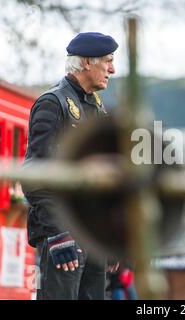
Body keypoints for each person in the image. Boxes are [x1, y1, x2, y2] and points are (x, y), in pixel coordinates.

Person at [22, 32, 118, 300]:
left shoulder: (98, 110)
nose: (112, 69)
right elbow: (34, 175)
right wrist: (57, 234)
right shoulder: (52, 104)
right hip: (63, 239)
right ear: (87, 62)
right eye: (108, 61)